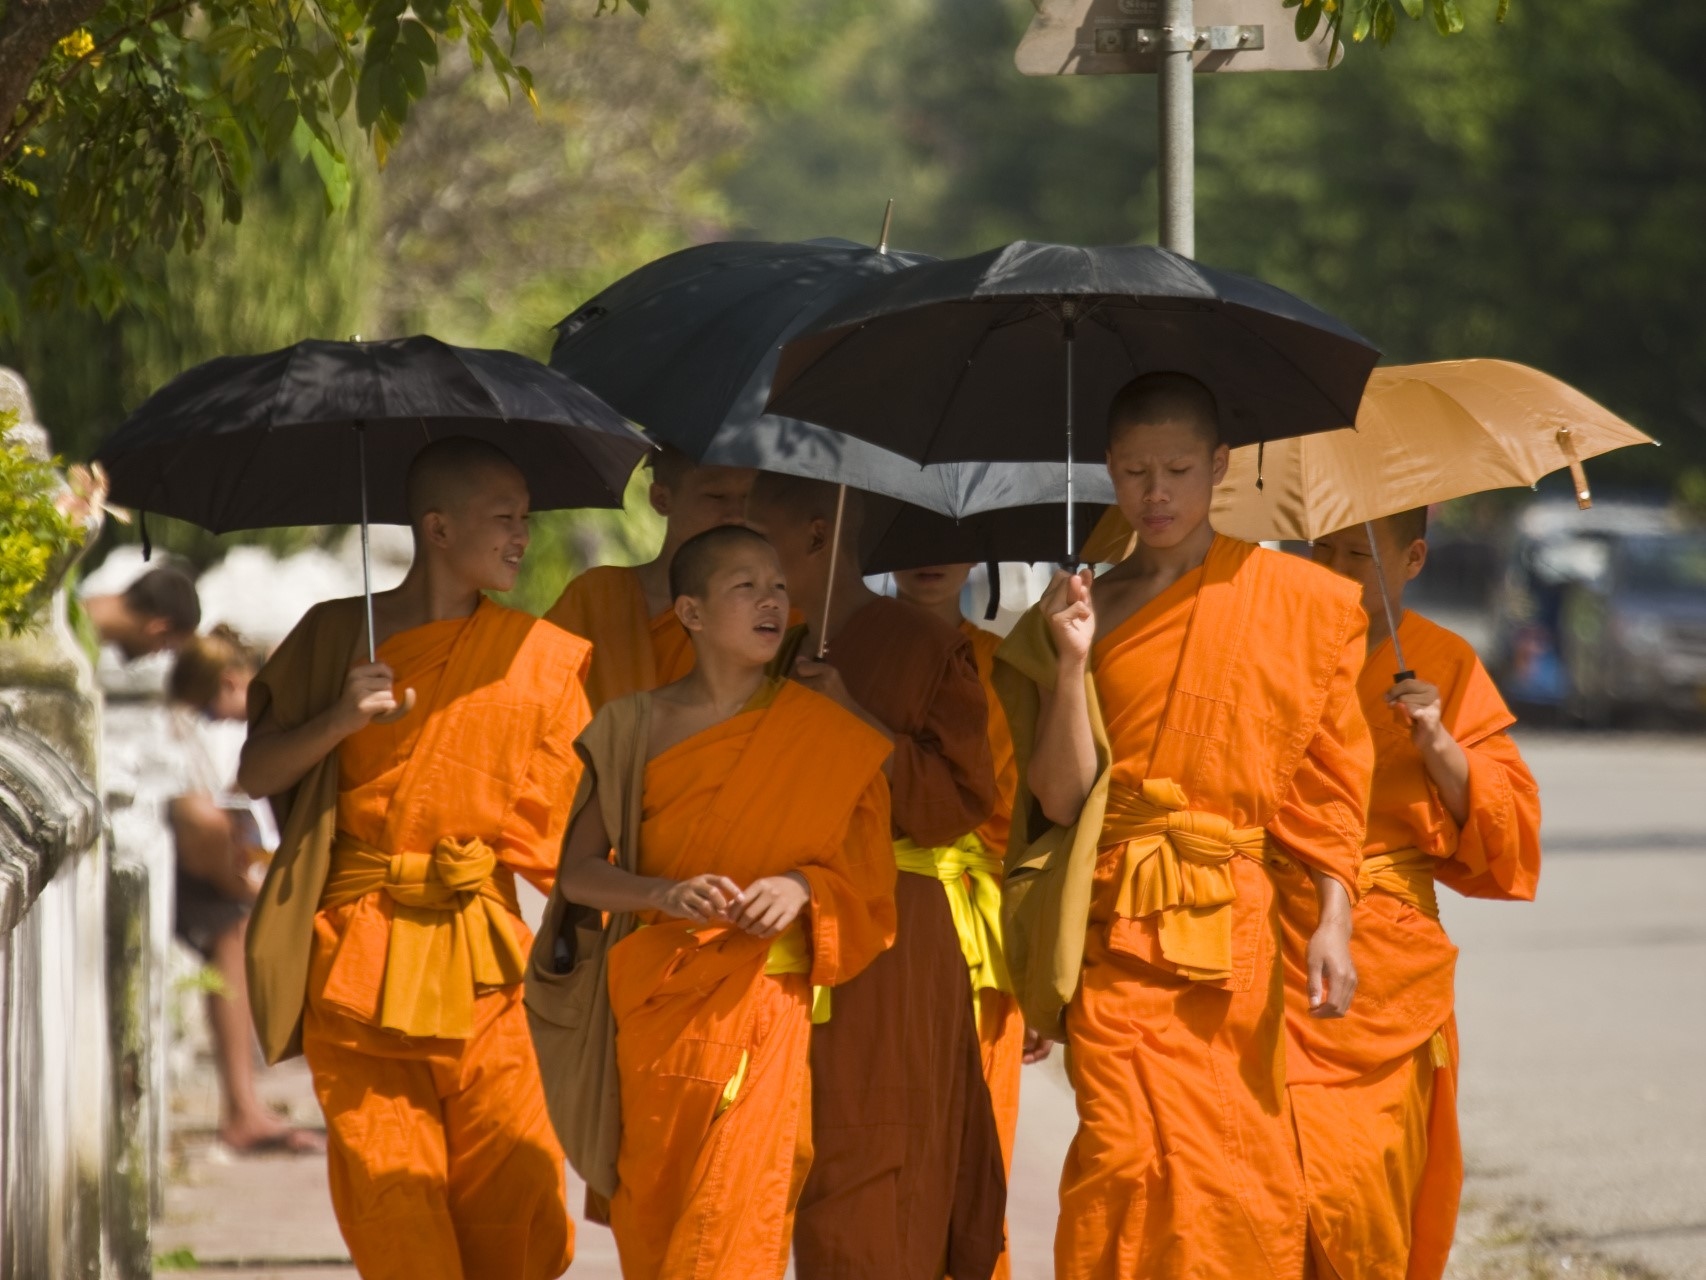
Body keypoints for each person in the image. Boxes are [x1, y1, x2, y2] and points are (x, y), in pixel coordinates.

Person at [998, 372, 1373, 1280]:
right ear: (1108, 473)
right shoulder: (1081, 610)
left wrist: (1333, 916)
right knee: (1122, 1156)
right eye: (1133, 472)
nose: (1155, 493)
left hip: (1233, 932)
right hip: (1116, 926)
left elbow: (1328, 784)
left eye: (1175, 469)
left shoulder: (1298, 601)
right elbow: (1057, 796)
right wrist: (1068, 665)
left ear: (1220, 466)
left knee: (1234, 1172)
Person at [237, 437, 591, 1280]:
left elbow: (572, 827)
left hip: (487, 965)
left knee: (520, 1200)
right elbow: (254, 772)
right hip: (357, 958)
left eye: (527, 522)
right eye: (504, 519)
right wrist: (339, 720)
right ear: (437, 527)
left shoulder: (538, 656)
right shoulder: (335, 635)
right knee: (391, 1201)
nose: (521, 539)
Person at [550, 523, 897, 1280]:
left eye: (777, 586)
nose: (771, 602)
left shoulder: (821, 733)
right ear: (692, 613)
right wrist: (661, 892)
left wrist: (800, 887)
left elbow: (869, 878)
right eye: (746, 587)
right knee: (656, 1216)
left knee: (734, 1225)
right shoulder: (630, 726)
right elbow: (576, 872)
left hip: (764, 1005)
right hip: (657, 1006)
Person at [746, 475, 1007, 1280]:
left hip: (894, 924)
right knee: (808, 1149)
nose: (755, 563)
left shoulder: (923, 643)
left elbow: (961, 801)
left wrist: (853, 717)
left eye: (765, 542)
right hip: (799, 923)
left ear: (820, 537)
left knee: (883, 1142)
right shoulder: (780, 646)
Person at [1291, 512, 1543, 1280]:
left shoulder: (1444, 661)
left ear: (1414, 557)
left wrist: (1437, 743)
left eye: (1359, 554)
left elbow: (1511, 825)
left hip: (1385, 961)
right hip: (1278, 936)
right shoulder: (1277, 645)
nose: (1337, 568)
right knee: (1271, 1174)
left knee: (1365, 1177)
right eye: (1321, 550)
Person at [890, 563, 1031, 1280]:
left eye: (946, 539)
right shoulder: (846, 654)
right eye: (909, 534)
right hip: (875, 925)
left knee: (977, 1156)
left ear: (978, 553)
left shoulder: (1006, 665)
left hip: (978, 930)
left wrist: (1033, 970)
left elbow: (1025, 835)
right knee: (877, 1152)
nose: (929, 555)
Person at [167, 627, 322, 1154]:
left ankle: (245, 1105)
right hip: (219, 877)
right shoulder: (199, 735)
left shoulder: (261, 718)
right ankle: (242, 1108)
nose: (214, 718)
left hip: (243, 868)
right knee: (233, 944)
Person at [544, 446, 756, 708]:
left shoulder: (772, 611)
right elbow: (537, 695)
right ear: (662, 499)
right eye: (716, 496)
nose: (736, 514)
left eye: (748, 497)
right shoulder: (596, 597)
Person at [85, 563, 202, 659]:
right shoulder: (76, 655)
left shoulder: (71, 600)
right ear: (159, 628)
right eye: (166, 646)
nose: (155, 654)